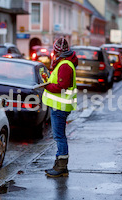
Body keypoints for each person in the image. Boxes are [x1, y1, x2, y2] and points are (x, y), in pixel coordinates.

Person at [42, 38, 78, 177]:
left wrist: (46, 85)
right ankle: (59, 165)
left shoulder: (64, 65)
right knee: (59, 136)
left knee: (59, 137)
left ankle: (61, 167)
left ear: (57, 50)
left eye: (55, 50)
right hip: (60, 106)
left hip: (60, 107)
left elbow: (61, 87)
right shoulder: (65, 63)